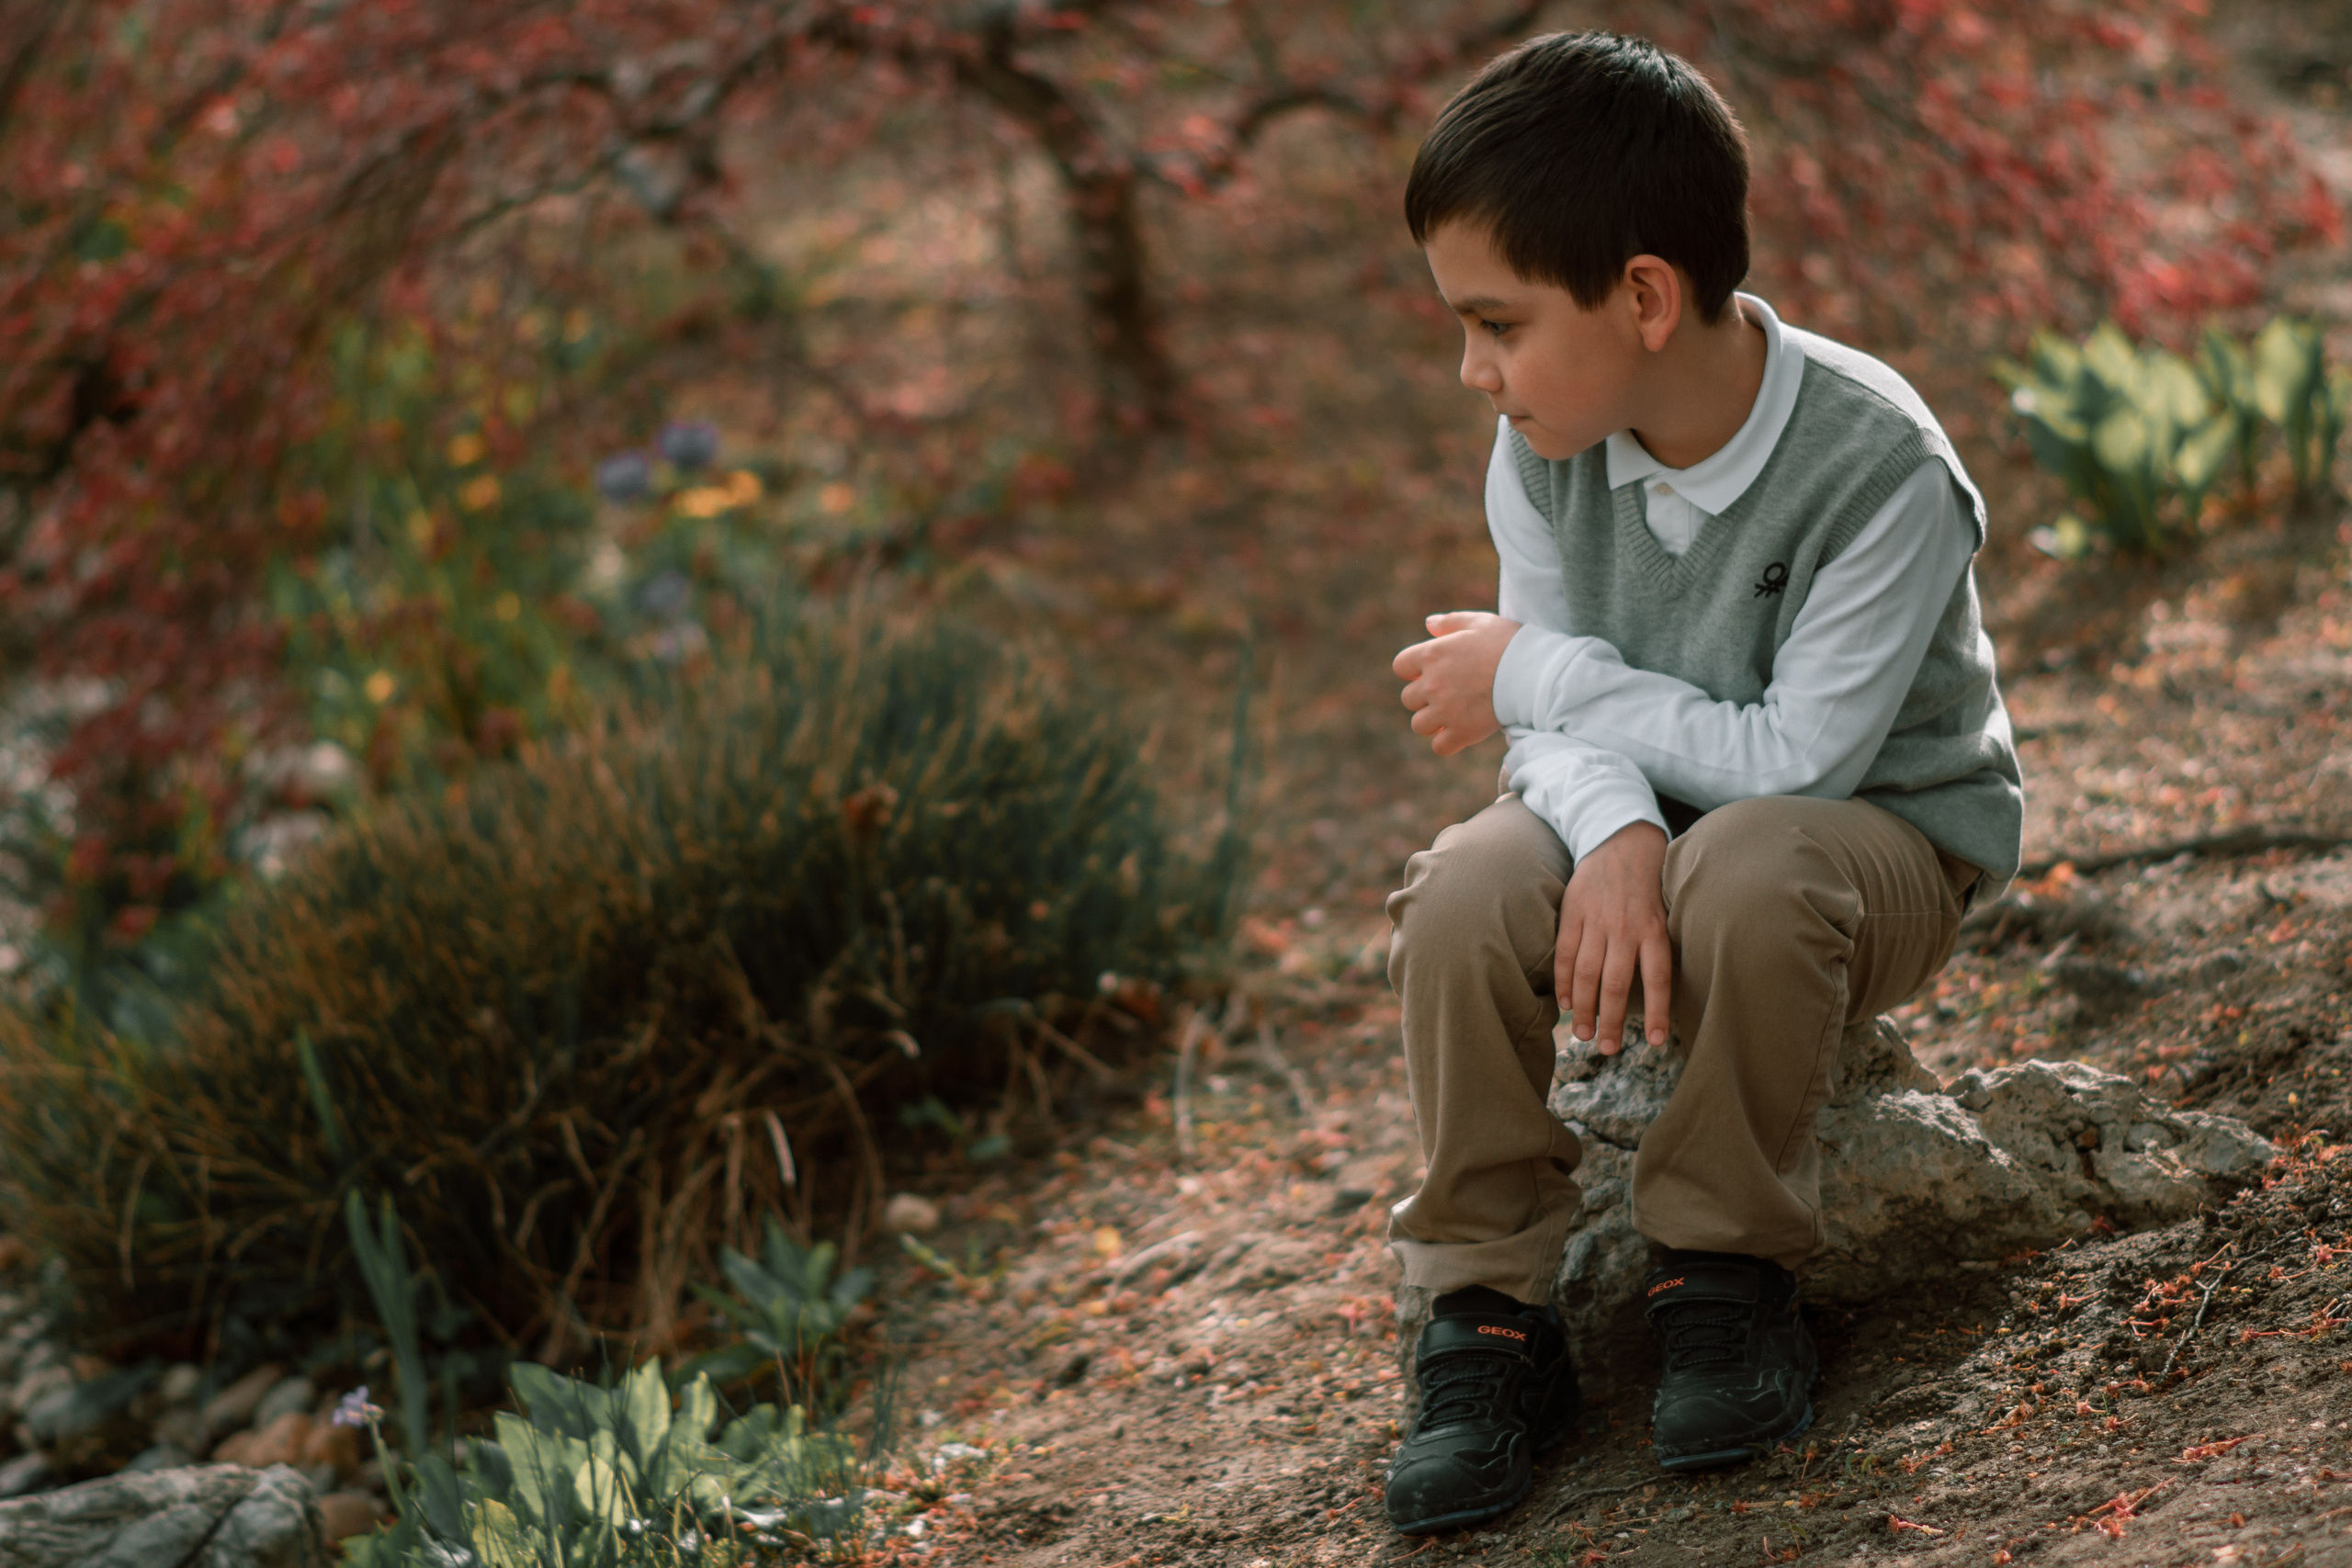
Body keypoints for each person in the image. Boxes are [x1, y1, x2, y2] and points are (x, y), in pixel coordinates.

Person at [1376, 29, 2024, 1535]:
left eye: (1497, 324)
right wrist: (1603, 832)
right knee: (1473, 885)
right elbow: (1560, 740)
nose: (1475, 370)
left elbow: (1800, 759)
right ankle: (1485, 1312)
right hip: (1656, 820)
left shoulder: (1880, 467)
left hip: (1877, 840)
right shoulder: (1540, 445)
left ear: (1646, 297)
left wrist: (1531, 673)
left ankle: (1721, 1270)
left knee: (1752, 858)